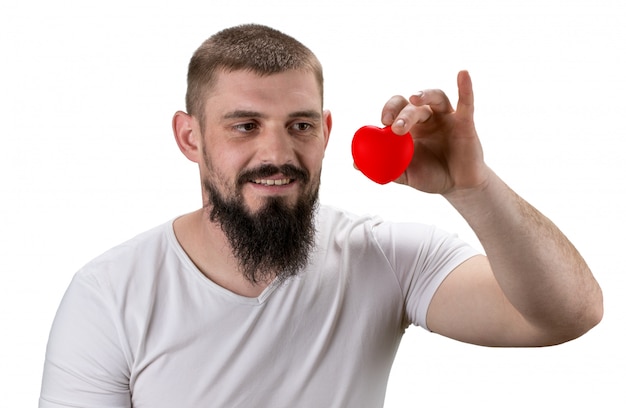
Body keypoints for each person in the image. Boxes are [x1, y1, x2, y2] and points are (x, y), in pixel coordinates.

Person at [39, 24, 603, 408]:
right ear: (190, 137)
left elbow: (567, 314)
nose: (278, 153)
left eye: (301, 125)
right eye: (245, 125)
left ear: (327, 132)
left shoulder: (383, 258)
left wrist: (472, 186)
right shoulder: (107, 295)